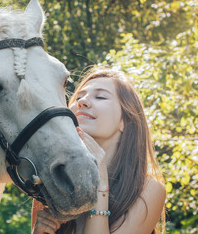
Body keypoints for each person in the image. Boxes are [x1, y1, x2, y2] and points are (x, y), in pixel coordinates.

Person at [31, 67, 166, 234]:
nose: (82, 101)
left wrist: (100, 184)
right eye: (78, 97)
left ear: (126, 120)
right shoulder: (54, 177)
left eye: (101, 96)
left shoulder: (147, 189)